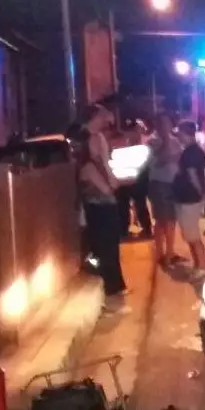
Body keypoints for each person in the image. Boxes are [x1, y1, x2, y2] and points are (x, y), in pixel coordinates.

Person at [76, 105, 128, 309]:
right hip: (99, 203)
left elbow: (105, 166)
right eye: (101, 116)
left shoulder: (94, 138)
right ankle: (111, 289)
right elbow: (104, 178)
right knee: (106, 246)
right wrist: (112, 183)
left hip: (101, 202)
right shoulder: (89, 157)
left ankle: (115, 286)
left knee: (109, 244)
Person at [174, 121, 205, 275]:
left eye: (180, 133)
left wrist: (201, 193)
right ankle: (198, 265)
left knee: (193, 236)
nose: (178, 137)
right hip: (187, 198)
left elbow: (193, 175)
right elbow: (203, 173)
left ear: (186, 133)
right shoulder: (194, 151)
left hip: (189, 199)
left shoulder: (191, 152)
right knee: (189, 235)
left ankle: (202, 267)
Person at [148, 113, 182, 267]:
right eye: (163, 123)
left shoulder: (175, 140)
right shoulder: (153, 141)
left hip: (173, 184)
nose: (167, 126)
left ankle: (170, 252)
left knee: (171, 220)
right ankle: (162, 254)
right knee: (162, 220)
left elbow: (180, 159)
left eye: (168, 122)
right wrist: (166, 142)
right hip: (159, 185)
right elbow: (159, 161)